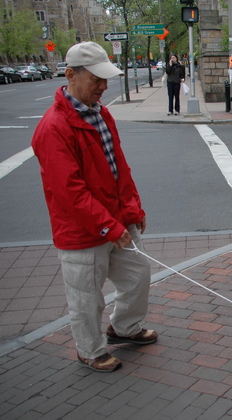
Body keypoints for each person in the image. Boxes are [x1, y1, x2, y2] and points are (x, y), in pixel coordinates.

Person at [31, 41, 157, 373]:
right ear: (70, 75)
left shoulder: (102, 113)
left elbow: (118, 167)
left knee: (138, 275)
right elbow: (68, 192)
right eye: (97, 79)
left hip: (115, 221)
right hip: (82, 231)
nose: (104, 86)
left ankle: (124, 327)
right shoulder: (54, 126)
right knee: (87, 298)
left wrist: (133, 209)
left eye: (106, 79)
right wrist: (109, 228)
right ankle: (90, 349)